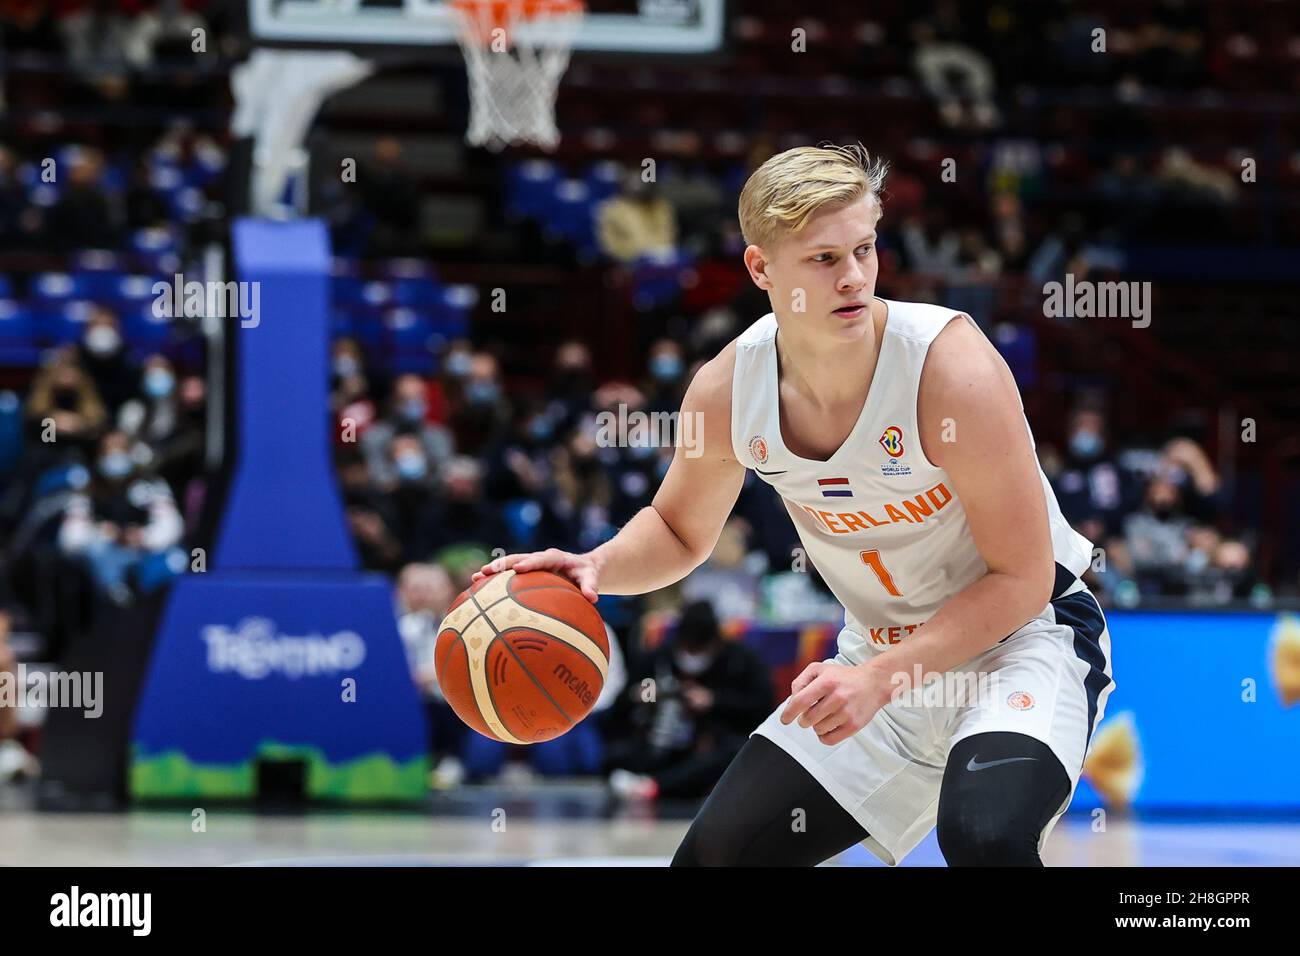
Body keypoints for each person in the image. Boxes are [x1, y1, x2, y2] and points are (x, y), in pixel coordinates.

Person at [474, 144, 1113, 867]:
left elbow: (1021, 578)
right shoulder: (726, 390)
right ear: (759, 269)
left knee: (985, 840)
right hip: (878, 656)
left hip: (1021, 643)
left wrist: (880, 680)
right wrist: (594, 567)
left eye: (865, 250)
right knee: (713, 861)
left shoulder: (950, 371)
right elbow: (679, 530)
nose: (853, 278)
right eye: (823, 259)